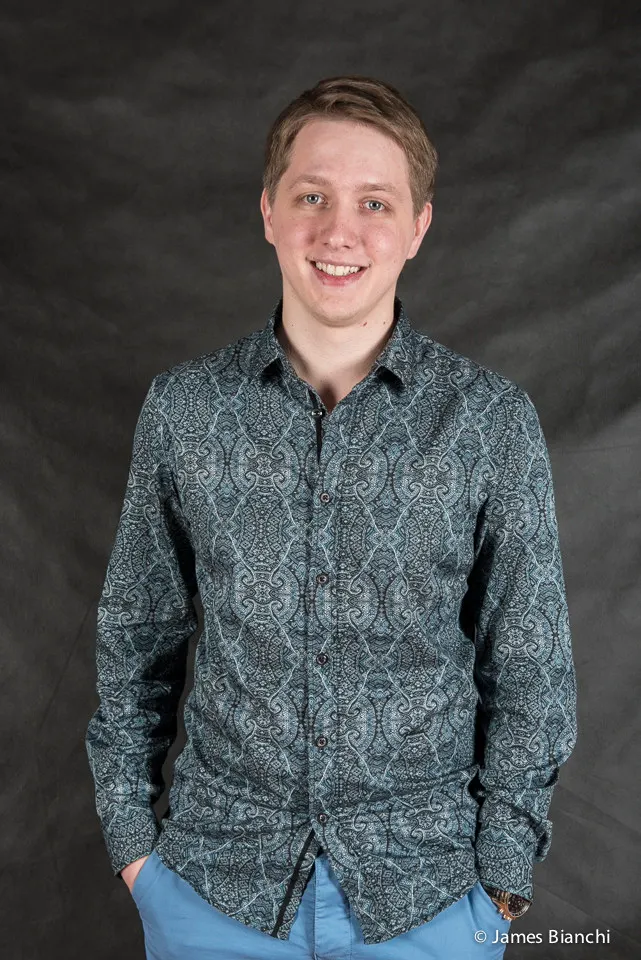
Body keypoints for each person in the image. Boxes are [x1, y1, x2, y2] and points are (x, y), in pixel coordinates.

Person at [85, 75, 577, 960]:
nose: (338, 231)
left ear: (418, 226)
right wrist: (134, 851)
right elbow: (135, 635)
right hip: (210, 892)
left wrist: (499, 885)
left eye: (374, 203)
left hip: (429, 901)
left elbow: (531, 665)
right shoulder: (184, 410)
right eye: (311, 196)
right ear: (268, 211)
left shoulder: (489, 421)